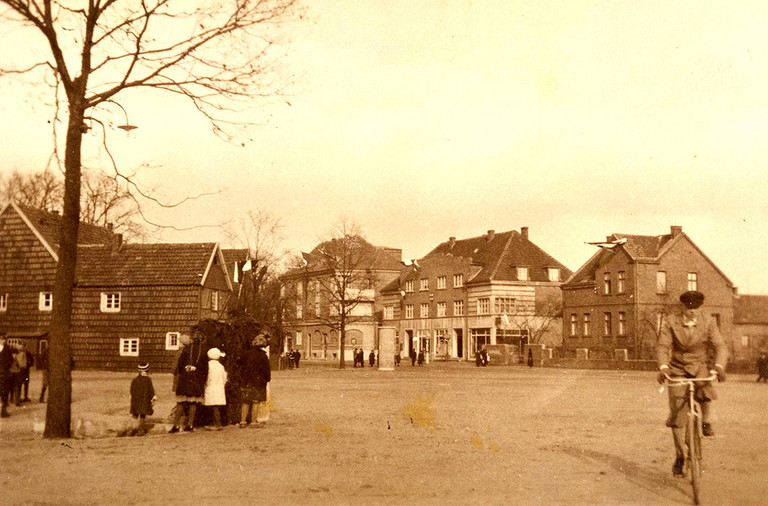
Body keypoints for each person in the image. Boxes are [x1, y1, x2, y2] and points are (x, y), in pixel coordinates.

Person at [657, 290, 727, 476]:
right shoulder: (671, 322)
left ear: (700, 308)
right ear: (683, 307)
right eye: (688, 308)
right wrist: (664, 367)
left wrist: (719, 366)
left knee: (706, 388)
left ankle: (706, 421)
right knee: (677, 416)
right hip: (678, 368)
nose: (692, 311)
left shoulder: (708, 322)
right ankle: (680, 455)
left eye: (696, 308)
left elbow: (719, 345)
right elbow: (663, 346)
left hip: (699, 365)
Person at [172, 331, 207, 432]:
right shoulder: (203, 350)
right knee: (193, 403)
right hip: (196, 380)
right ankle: (190, 425)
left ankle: (176, 425)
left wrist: (186, 368)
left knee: (181, 402)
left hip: (185, 379)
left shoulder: (186, 349)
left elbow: (179, 364)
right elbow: (205, 368)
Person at [239, 334, 271, 428]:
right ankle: (253, 421)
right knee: (255, 401)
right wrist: (267, 379)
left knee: (245, 401)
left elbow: (241, 367)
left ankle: (242, 421)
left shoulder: (246, 354)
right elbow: (266, 370)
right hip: (258, 381)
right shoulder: (263, 356)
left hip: (246, 380)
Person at [168, 334, 190, 433]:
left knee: (180, 400)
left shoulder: (180, 353)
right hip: (187, 379)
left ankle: (177, 422)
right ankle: (185, 421)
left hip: (179, 378)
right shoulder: (190, 352)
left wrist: (173, 371)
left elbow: (174, 368)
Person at [203, 347, 227, 431]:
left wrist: (206, 384)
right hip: (219, 387)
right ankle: (216, 423)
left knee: (213, 406)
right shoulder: (221, 366)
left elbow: (207, 377)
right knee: (216, 406)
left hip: (211, 386)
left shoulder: (208, 365)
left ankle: (217, 424)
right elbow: (225, 378)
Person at [130, 362, 156, 436]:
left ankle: (131, 429)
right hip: (144, 401)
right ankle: (140, 430)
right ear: (147, 371)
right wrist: (153, 397)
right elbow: (151, 390)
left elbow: (131, 390)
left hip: (135, 401)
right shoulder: (148, 380)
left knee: (135, 415)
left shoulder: (135, 380)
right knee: (142, 415)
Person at [0, 335, 13, 417]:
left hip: (4, 373)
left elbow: (10, 360)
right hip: (3, 372)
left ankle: (3, 411)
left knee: (4, 392)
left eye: (4, 339)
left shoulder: (7, 349)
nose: (3, 340)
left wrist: (7, 366)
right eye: (1, 339)